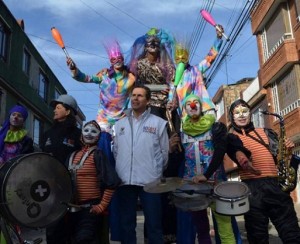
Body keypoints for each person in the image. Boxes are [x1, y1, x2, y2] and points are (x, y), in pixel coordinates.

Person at [170, 94, 242, 244]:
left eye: (196, 102)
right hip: (194, 187)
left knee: (225, 230)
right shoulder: (181, 134)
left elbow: (220, 151)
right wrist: (170, 149)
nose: (193, 106)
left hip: (216, 185)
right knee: (202, 229)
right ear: (184, 110)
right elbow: (178, 161)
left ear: (201, 107)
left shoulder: (216, 128)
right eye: (188, 104)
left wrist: (206, 174)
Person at [227, 99, 300, 243]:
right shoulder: (231, 137)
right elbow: (236, 150)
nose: (241, 115)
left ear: (250, 113)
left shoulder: (267, 132)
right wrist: (242, 159)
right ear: (231, 117)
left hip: (275, 185)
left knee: (292, 233)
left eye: (245, 111)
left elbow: (279, 158)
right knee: (257, 236)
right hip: (252, 189)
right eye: (237, 112)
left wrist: (288, 149)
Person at [113, 84, 169, 244]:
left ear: (148, 101)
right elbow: (116, 151)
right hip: (125, 181)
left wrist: (155, 172)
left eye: (140, 96)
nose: (135, 98)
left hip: (150, 182)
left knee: (154, 225)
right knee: (126, 226)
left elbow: (164, 153)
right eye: (133, 95)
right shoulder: (119, 125)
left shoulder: (158, 123)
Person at [66, 120, 120, 244]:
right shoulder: (72, 155)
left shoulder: (98, 154)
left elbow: (112, 181)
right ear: (81, 134)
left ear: (98, 136)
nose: (89, 134)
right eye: (86, 130)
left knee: (85, 239)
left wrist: (101, 206)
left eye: (93, 131)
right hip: (71, 210)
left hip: (90, 209)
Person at [66, 39, 135, 134]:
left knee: (120, 147)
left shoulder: (131, 78)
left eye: (119, 58)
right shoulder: (104, 75)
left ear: (123, 60)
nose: (117, 61)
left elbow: (141, 92)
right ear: (110, 61)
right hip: (103, 120)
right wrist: (74, 69)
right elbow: (85, 78)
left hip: (122, 120)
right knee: (102, 145)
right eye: (113, 59)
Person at [40, 94, 82, 244]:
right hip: (49, 188)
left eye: (58, 108)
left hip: (71, 190)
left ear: (68, 111)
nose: (54, 111)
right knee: (51, 228)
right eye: (55, 108)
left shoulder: (78, 135)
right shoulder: (46, 135)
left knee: (69, 228)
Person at [168, 25, 224, 119]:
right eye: (178, 57)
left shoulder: (196, 69)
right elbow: (172, 102)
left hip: (204, 111)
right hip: (187, 118)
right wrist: (170, 105)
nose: (181, 59)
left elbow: (210, 58)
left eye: (184, 56)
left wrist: (218, 38)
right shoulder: (173, 82)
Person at [0, 104, 34, 244]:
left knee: (11, 213)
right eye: (13, 114)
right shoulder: (1, 134)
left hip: (14, 181)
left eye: (19, 115)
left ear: (23, 120)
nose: (15, 117)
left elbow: (28, 161)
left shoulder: (26, 140)